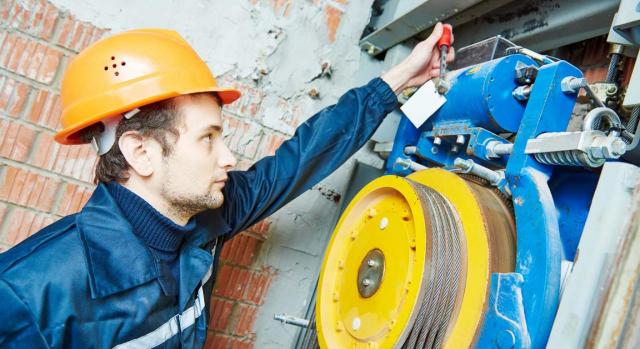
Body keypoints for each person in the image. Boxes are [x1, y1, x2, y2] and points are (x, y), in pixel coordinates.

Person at [0, 23, 454, 348]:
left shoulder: (200, 217)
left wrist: (393, 83)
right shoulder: (28, 295)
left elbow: (294, 164)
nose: (229, 157)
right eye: (208, 139)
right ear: (141, 153)